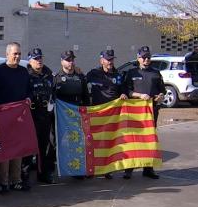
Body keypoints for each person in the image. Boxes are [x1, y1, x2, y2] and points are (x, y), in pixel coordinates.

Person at [0, 42, 31, 193]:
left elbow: (28, 91)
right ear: (7, 54)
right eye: (15, 54)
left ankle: (16, 180)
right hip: (3, 118)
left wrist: (28, 99)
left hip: (19, 118)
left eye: (19, 54)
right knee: (5, 151)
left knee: (17, 150)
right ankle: (4, 182)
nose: (18, 56)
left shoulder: (23, 72)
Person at [123, 46, 166, 179]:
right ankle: (129, 169)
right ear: (138, 58)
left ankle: (148, 169)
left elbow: (162, 90)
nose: (146, 59)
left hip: (151, 110)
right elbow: (126, 91)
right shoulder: (131, 73)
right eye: (143, 57)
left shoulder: (156, 73)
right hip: (134, 112)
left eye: (148, 57)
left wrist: (160, 96)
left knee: (149, 139)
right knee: (132, 139)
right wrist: (139, 95)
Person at [86, 49, 128, 179]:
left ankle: (107, 169)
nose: (110, 62)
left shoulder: (119, 75)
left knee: (109, 143)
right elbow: (82, 83)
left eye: (112, 59)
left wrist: (123, 94)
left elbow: (124, 91)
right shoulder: (93, 73)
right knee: (94, 142)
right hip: (97, 114)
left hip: (112, 115)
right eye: (107, 59)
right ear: (101, 60)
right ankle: (91, 169)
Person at [54, 50, 90, 180]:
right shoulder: (56, 77)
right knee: (59, 143)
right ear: (62, 61)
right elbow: (53, 97)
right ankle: (58, 169)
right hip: (62, 117)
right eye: (68, 60)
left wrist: (87, 112)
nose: (71, 62)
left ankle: (77, 170)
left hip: (77, 115)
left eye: (72, 59)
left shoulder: (80, 77)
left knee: (77, 143)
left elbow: (86, 95)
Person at [25, 48, 55, 184]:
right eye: (36, 58)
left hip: (46, 114)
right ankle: (24, 176)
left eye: (40, 58)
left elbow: (53, 91)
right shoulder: (26, 75)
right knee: (29, 146)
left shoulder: (48, 73)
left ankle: (44, 174)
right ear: (30, 60)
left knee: (46, 146)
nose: (39, 60)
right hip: (31, 114)